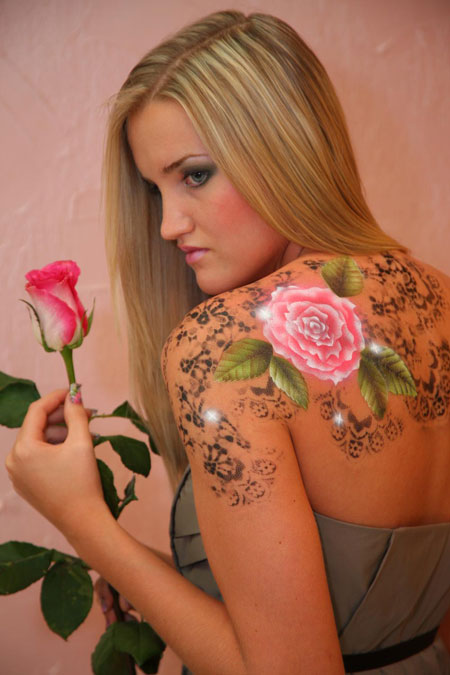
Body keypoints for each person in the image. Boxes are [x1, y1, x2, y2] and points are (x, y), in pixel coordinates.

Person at [6, 10, 450, 674]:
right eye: (154, 188)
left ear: (284, 146)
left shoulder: (222, 342)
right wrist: (160, 584)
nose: (166, 225)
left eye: (194, 175)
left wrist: (84, 523)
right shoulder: (440, 296)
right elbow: (367, 610)